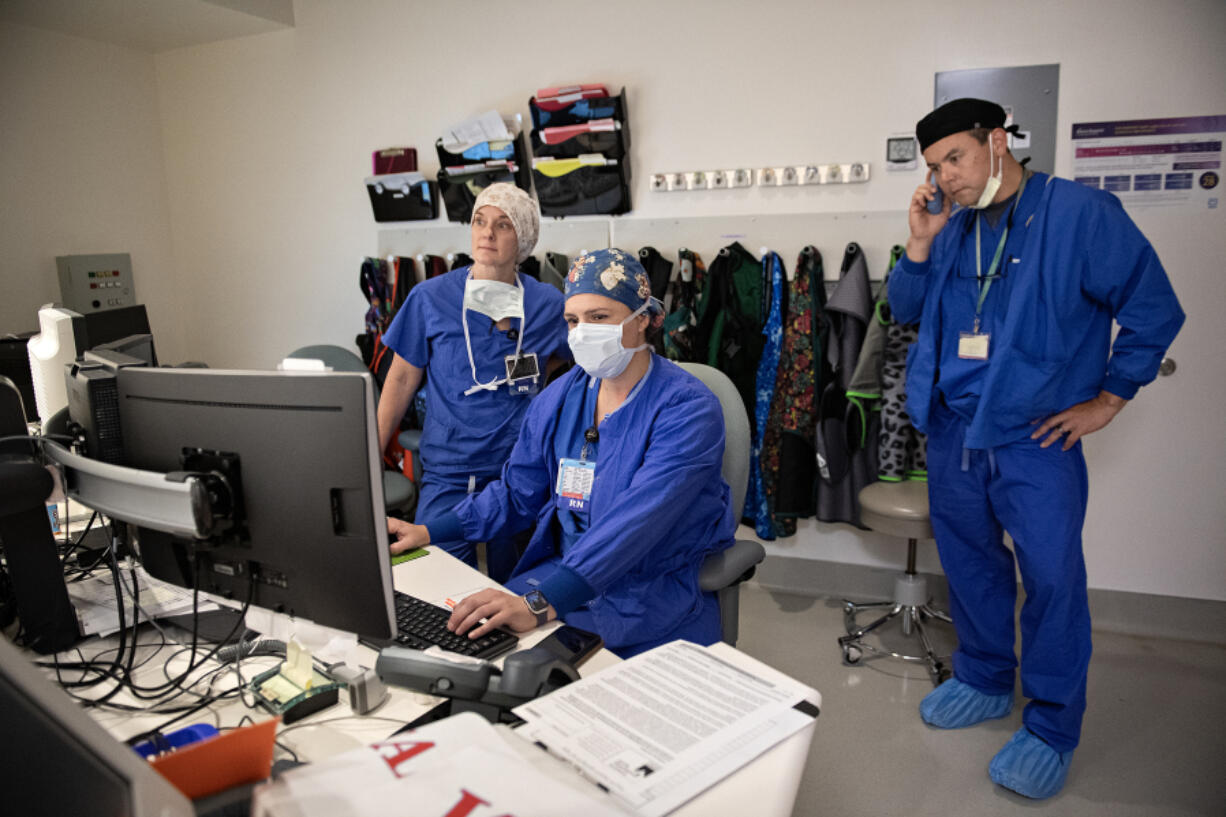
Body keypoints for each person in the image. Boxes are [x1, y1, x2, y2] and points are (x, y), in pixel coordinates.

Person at [889, 98, 1184, 799]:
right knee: (969, 564)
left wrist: (1108, 400)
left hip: (1035, 437)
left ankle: (1052, 724)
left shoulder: (1082, 215)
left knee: (1051, 579)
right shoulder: (953, 228)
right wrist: (922, 241)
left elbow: (1153, 310)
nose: (945, 177)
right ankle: (986, 676)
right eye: (934, 166)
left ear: (998, 141)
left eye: (954, 158)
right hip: (956, 428)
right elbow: (902, 308)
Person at [388, 248, 736, 658]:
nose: (582, 332)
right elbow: (517, 493)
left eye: (599, 317)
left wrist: (540, 603)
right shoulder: (561, 396)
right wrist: (429, 531)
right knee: (460, 654)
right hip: (562, 583)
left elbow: (634, 527)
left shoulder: (688, 409)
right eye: (573, 320)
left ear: (643, 319)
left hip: (649, 594)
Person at [377, 183, 570, 583]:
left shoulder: (548, 304)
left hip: (517, 471)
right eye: (480, 221)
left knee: (517, 583)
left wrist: (537, 374)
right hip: (450, 467)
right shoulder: (430, 298)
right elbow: (400, 378)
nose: (487, 233)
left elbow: (571, 358)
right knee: (438, 580)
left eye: (503, 225)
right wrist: (368, 451)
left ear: (524, 239)